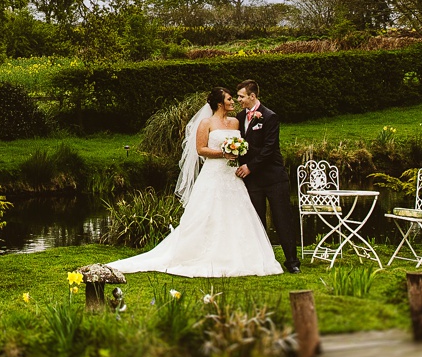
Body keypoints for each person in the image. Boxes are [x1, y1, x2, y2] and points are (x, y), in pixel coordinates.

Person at [109, 87, 283, 278]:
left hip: (232, 175)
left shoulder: (235, 122)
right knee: (207, 213)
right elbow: (201, 149)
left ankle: (238, 254)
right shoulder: (206, 123)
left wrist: (239, 150)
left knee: (236, 213)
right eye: (229, 99)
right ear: (220, 103)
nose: (233, 101)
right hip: (214, 173)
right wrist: (223, 153)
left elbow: (248, 141)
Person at [235, 79, 299, 273]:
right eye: (237, 96)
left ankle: (292, 262)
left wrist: (250, 166)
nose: (238, 100)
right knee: (257, 221)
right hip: (253, 180)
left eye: (241, 96)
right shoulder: (239, 117)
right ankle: (262, 260)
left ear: (252, 96)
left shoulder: (270, 117)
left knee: (282, 219)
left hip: (273, 177)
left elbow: (269, 148)